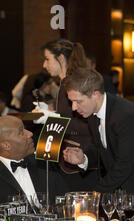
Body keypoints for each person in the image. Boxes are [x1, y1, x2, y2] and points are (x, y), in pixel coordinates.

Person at [62, 68, 134, 215]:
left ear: (95, 94)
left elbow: (123, 165)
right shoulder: (93, 112)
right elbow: (102, 148)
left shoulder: (126, 115)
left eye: (78, 101)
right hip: (124, 194)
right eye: (72, 102)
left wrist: (93, 197)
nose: (74, 108)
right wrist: (83, 158)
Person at [41, 38, 98, 190]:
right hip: (83, 157)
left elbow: (83, 121)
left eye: (47, 59)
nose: (44, 65)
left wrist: (50, 118)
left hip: (77, 156)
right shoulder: (70, 82)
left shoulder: (69, 84)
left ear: (60, 58)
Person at [0, 116, 67, 209]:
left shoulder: (45, 163)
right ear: (6, 145)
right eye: (21, 132)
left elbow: (64, 200)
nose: (30, 134)